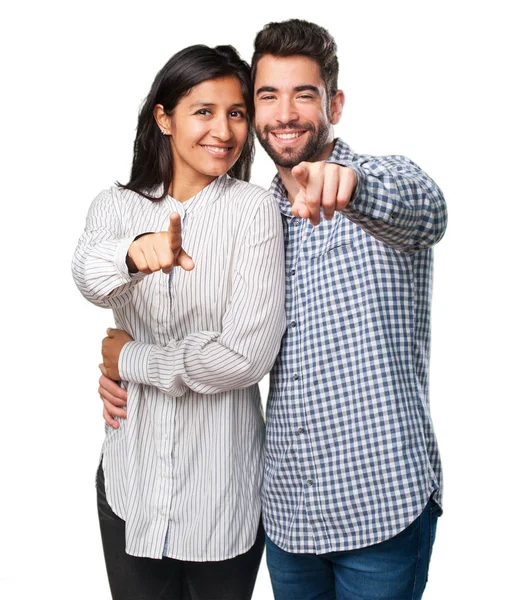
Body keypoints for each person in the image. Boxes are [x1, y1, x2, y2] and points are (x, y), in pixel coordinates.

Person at [99, 19, 447, 600]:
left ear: (334, 103)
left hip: (382, 507)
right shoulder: (256, 218)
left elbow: (429, 211)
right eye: (267, 96)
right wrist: (121, 365)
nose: (284, 113)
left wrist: (351, 186)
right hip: (288, 515)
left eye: (304, 94)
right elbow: (202, 328)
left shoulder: (382, 185)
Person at [72, 44, 288, 600]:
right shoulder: (115, 206)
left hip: (221, 497)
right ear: (163, 118)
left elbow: (244, 359)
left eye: (236, 113)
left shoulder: (253, 209)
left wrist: (130, 359)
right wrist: (134, 253)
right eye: (204, 111)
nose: (224, 129)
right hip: (129, 484)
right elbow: (87, 276)